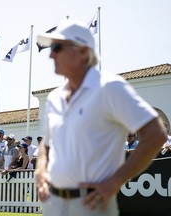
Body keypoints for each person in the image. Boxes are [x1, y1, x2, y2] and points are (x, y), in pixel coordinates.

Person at [35, 19, 166, 216]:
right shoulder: (54, 97)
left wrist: (115, 182)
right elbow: (46, 144)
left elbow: (156, 134)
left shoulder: (109, 87)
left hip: (91, 204)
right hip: (53, 203)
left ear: (82, 51)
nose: (51, 55)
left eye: (58, 47)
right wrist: (40, 171)